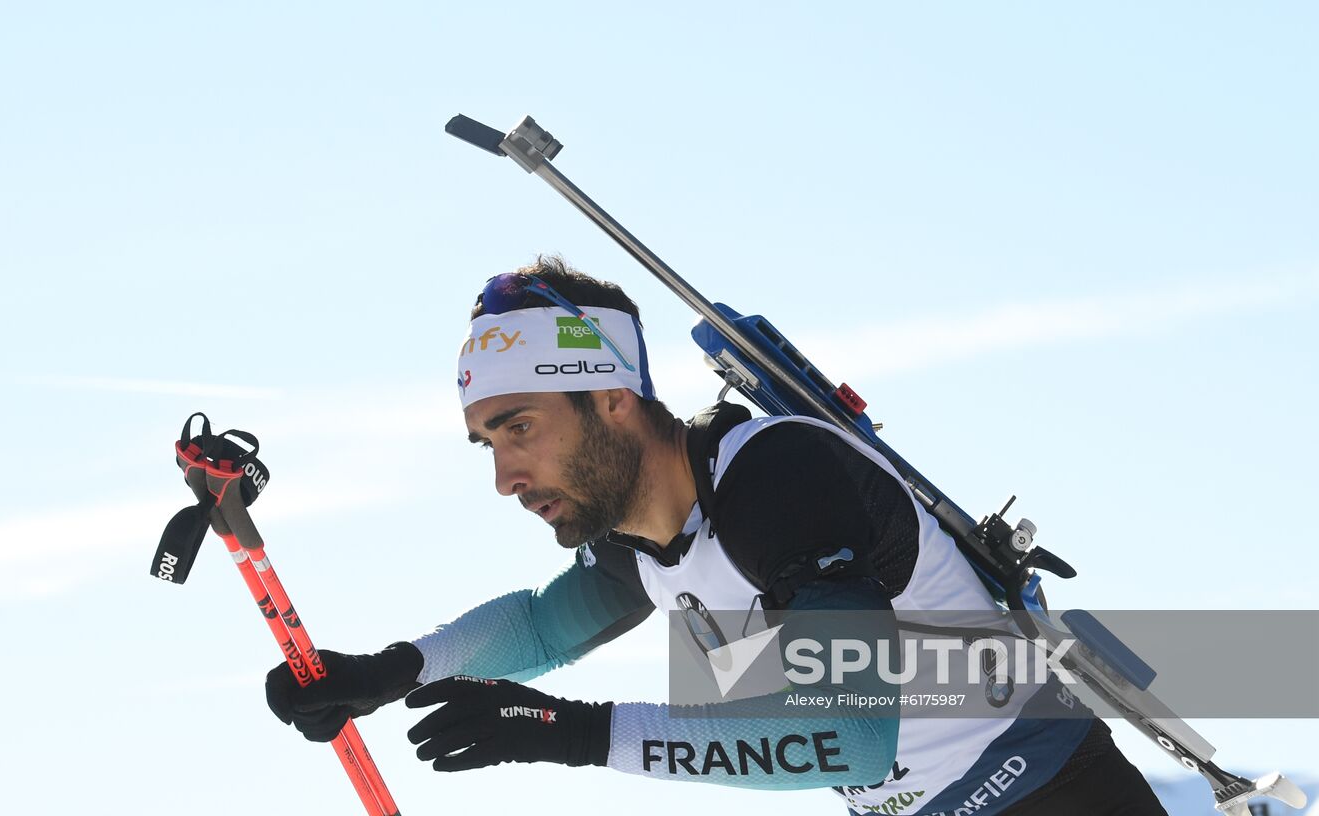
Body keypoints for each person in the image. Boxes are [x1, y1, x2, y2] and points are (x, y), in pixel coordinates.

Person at [265, 257, 1166, 814]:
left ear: (612, 400)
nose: (504, 478)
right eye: (488, 443)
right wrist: (392, 672)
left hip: (1053, 797)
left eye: (521, 428)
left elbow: (851, 739)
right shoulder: (644, 534)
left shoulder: (778, 476)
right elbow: (541, 629)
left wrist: (577, 735)